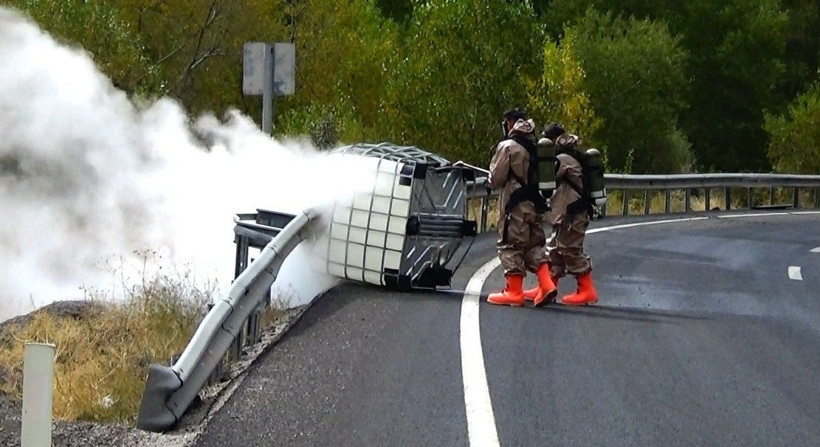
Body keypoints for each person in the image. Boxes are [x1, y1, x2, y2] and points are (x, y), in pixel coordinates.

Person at [486, 109, 557, 307]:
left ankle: (514, 292)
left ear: (510, 123)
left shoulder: (508, 146)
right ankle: (547, 284)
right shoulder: (536, 147)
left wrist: (489, 180)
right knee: (531, 246)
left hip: (514, 206)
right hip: (534, 205)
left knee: (511, 245)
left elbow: (496, 177)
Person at [540, 127, 598, 306]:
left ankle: (587, 290)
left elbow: (547, 177)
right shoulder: (574, 155)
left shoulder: (563, 159)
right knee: (556, 249)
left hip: (574, 213)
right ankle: (548, 287)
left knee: (571, 249)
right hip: (568, 213)